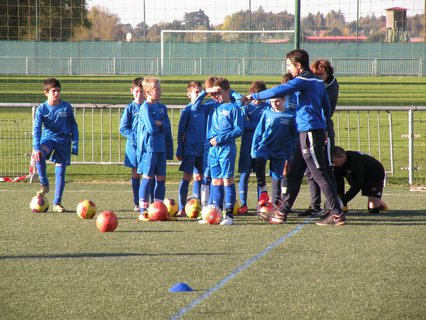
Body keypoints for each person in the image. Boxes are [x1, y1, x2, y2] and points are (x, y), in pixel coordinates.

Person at [241, 49, 346, 226]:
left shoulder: (304, 80)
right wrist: (326, 124)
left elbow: (280, 89)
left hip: (311, 132)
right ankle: (282, 211)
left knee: (319, 173)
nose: (288, 69)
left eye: (289, 65)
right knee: (294, 173)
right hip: (305, 132)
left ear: (298, 65)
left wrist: (253, 96)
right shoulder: (317, 81)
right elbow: (326, 107)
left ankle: (336, 213)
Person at [32, 77, 79, 212]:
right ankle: (44, 184)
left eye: (58, 91)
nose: (56, 93)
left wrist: (75, 144)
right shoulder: (42, 109)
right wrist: (36, 147)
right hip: (48, 139)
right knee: (39, 155)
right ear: (46, 92)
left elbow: (74, 126)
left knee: (61, 171)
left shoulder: (66, 107)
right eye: (53, 91)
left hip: (64, 141)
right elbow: (36, 129)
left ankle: (57, 203)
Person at [301, 59, 340, 216]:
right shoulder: (317, 84)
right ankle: (314, 204)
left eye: (320, 73)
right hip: (313, 129)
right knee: (311, 171)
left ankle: (333, 206)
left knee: (326, 169)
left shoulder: (330, 87)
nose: (317, 76)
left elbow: (325, 110)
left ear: (328, 73)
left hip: (323, 131)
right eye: (315, 73)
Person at [204, 77, 244, 225]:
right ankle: (217, 213)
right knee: (215, 181)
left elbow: (239, 129)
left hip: (226, 148)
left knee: (227, 180)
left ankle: (229, 216)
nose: (216, 96)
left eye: (219, 93)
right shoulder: (212, 105)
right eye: (214, 94)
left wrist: (220, 138)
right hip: (213, 150)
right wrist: (207, 91)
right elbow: (195, 106)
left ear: (228, 91)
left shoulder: (234, 108)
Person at [252, 95, 297, 224]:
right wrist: (254, 150)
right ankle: (263, 191)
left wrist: (290, 153)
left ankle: (274, 208)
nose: (274, 104)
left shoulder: (290, 116)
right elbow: (258, 132)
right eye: (272, 101)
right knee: (260, 161)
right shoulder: (267, 113)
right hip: (265, 146)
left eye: (277, 101)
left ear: (284, 100)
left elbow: (293, 136)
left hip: (281, 150)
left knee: (277, 178)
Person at [136, 77, 173, 221]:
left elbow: (167, 126)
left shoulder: (162, 107)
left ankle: (157, 209)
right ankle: (143, 210)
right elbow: (151, 128)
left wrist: (159, 123)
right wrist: (160, 123)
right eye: (157, 89)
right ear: (148, 92)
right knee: (147, 178)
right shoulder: (145, 108)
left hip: (161, 148)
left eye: (159, 88)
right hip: (149, 148)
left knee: (161, 179)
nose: (160, 91)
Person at [237, 81, 270, 215]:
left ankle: (260, 204)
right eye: (255, 96)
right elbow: (242, 125)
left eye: (260, 97)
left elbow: (266, 124)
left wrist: (252, 124)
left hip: (260, 146)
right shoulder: (246, 107)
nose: (257, 100)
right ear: (251, 95)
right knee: (244, 174)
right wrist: (255, 125)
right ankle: (243, 204)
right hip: (246, 146)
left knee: (259, 175)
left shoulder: (267, 107)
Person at [176, 81, 205, 216]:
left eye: (201, 91)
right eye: (196, 92)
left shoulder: (205, 109)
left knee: (200, 177)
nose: (199, 94)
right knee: (187, 177)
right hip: (190, 149)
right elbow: (181, 131)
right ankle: (182, 207)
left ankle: (198, 205)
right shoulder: (187, 110)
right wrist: (179, 149)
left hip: (202, 149)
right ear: (189, 94)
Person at [332, 146, 389, 213]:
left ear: (342, 157)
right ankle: (345, 205)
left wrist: (343, 200)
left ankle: (377, 199)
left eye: (335, 162)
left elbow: (357, 185)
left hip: (374, 176)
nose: (333, 164)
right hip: (356, 175)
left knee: (373, 210)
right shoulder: (338, 164)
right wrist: (339, 199)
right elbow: (339, 182)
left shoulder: (356, 160)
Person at [119, 77, 144, 212]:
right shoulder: (130, 108)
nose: (139, 95)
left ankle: (148, 201)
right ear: (132, 91)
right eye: (137, 92)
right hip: (133, 147)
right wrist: (136, 137)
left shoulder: (148, 106)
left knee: (147, 173)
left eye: (142, 92)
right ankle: (137, 202)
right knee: (136, 174)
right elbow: (123, 128)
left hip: (147, 147)